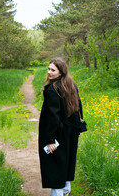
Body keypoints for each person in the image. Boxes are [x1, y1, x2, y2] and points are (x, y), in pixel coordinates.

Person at [38, 57, 83, 196]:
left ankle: (59, 193)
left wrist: (50, 139)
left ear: (61, 72)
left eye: (53, 70)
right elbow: (79, 106)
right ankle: (65, 191)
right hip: (70, 132)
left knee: (55, 165)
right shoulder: (71, 84)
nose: (49, 72)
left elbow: (53, 116)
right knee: (66, 161)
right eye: (48, 69)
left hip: (58, 133)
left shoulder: (53, 89)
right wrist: (78, 127)